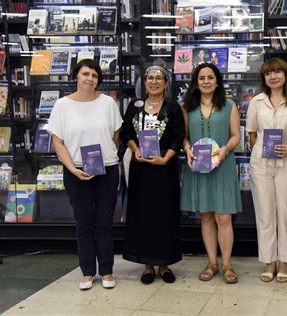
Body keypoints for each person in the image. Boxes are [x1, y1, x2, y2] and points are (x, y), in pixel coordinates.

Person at [48, 59, 122, 290]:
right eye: (85, 74)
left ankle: (107, 271)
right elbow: (57, 141)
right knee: (83, 223)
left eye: (94, 75)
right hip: (76, 170)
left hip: (106, 169)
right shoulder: (62, 105)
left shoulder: (108, 102)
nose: (90, 78)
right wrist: (73, 168)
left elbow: (116, 134)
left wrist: (103, 155)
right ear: (76, 76)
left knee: (104, 222)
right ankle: (88, 272)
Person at [121, 65, 184, 284]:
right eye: (150, 78)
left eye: (159, 78)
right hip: (141, 169)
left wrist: (166, 158)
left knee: (164, 215)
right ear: (144, 82)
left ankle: (164, 263)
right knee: (143, 215)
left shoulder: (173, 107)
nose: (154, 82)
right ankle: (147, 265)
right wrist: (135, 149)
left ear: (166, 84)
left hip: (164, 169)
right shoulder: (134, 106)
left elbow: (178, 136)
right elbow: (126, 132)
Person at [181, 63, 242, 283]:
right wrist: (187, 149)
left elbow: (236, 136)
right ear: (196, 83)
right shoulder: (188, 107)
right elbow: (184, 136)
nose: (206, 81)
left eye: (210, 77)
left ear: (217, 81)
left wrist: (225, 149)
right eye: (201, 78)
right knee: (206, 216)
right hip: (198, 166)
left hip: (222, 166)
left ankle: (227, 265)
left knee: (224, 217)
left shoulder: (229, 105)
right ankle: (211, 263)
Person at [246, 58, 287, 283]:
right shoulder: (256, 102)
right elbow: (251, 133)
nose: (273, 76)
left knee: (286, 213)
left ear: (285, 74)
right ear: (264, 78)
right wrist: (260, 149)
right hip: (261, 163)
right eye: (269, 73)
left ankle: (285, 262)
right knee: (265, 212)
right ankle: (269, 261)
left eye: (278, 72)